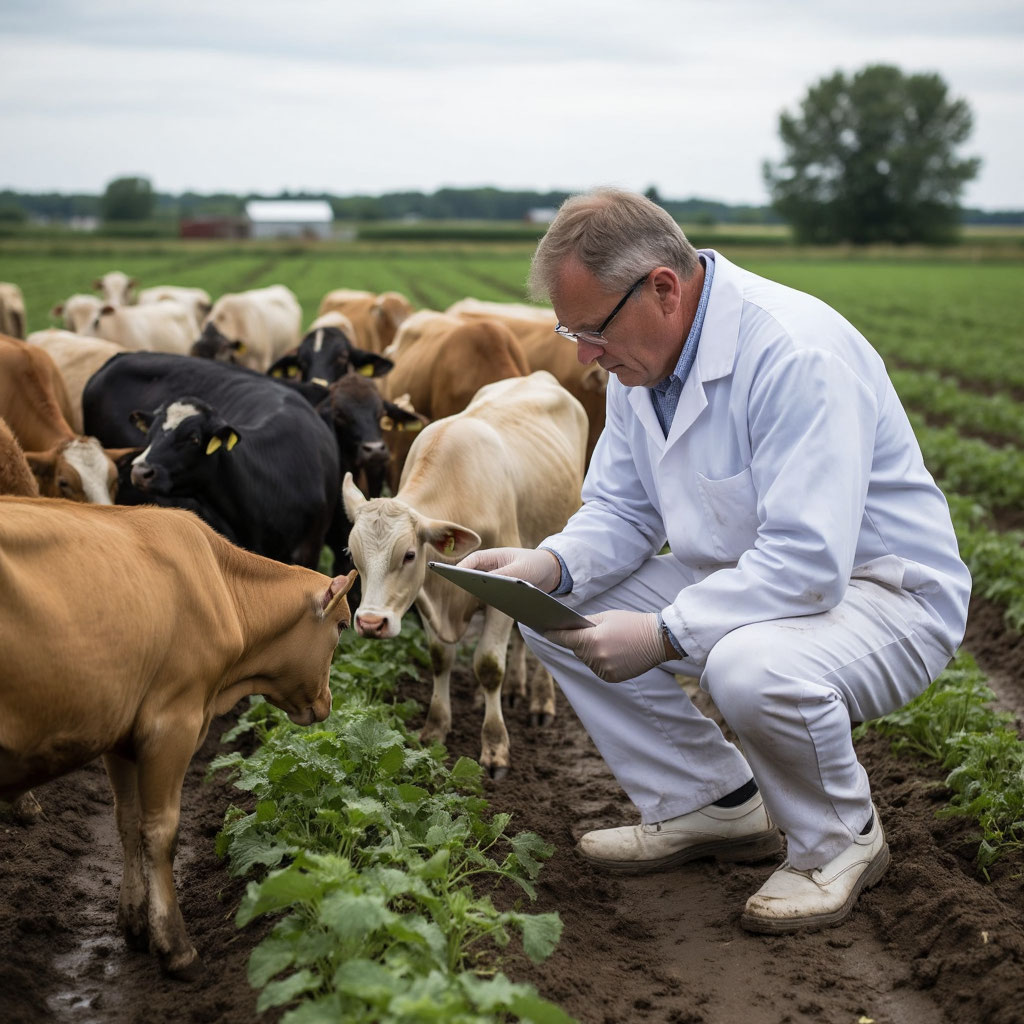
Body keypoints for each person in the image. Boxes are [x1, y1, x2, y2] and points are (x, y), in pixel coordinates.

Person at [458, 188, 971, 933]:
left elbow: (807, 562)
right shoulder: (641, 365)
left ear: (663, 289)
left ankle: (839, 840)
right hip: (747, 580)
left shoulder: (795, 354)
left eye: (592, 330)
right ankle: (712, 802)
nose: (583, 355)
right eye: (571, 331)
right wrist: (551, 567)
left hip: (881, 595)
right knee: (555, 613)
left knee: (746, 667)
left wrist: (663, 633)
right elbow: (622, 510)